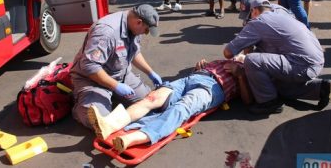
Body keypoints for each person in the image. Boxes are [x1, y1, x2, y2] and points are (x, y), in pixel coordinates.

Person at [87, 58, 253, 152]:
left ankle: (132, 138)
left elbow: (248, 100)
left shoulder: (248, 73)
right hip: (192, 78)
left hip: (214, 88)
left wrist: (240, 76)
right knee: (152, 98)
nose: (240, 56)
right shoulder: (226, 59)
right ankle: (109, 124)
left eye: (244, 57)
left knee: (181, 108)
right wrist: (200, 66)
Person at [224, 0, 331, 115]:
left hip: (302, 64)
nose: (247, 22)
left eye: (248, 17)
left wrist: (244, 58)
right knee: (271, 83)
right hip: (316, 58)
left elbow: (228, 53)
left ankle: (268, 102)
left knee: (251, 60)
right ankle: (319, 89)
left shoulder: (258, 22)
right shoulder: (279, 12)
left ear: (254, 11)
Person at [70, 5, 163, 129]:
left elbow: (134, 52)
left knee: (151, 102)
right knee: (101, 122)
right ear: (138, 22)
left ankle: (111, 97)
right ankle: (80, 108)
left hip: (120, 74)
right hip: (93, 80)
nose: (146, 33)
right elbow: (89, 66)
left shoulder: (134, 27)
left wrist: (150, 72)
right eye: (146, 30)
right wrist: (115, 86)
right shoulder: (106, 31)